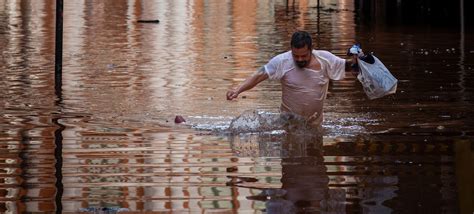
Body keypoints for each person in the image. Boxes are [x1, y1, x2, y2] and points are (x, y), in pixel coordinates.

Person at [226, 31, 360, 128]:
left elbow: (348, 66)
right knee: (291, 163)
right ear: (291, 50)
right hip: (288, 125)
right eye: (296, 56)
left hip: (315, 125)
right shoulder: (282, 61)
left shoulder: (325, 59)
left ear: (311, 50)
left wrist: (359, 61)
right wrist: (238, 90)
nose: (300, 59)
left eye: (304, 56)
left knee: (317, 164)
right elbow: (258, 76)